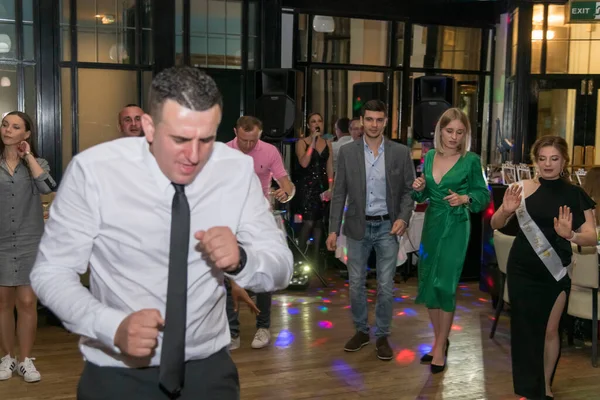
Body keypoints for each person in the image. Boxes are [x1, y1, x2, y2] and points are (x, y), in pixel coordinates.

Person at [30, 66, 293, 399]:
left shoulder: (235, 170)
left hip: (207, 369)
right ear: (149, 127)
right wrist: (110, 325)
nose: (194, 156)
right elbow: (51, 271)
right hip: (117, 370)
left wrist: (243, 259)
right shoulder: (95, 171)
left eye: (207, 139)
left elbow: (281, 265)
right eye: (180, 139)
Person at [490, 135, 596, 399]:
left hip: (555, 271)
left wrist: (570, 235)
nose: (548, 164)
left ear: (564, 162)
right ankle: (526, 389)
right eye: (542, 159)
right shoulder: (522, 188)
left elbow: (592, 237)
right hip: (522, 269)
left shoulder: (576, 195)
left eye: (554, 159)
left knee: (550, 330)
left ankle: (545, 386)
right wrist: (505, 210)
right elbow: (495, 224)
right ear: (535, 161)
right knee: (525, 330)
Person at [326, 99, 414, 361]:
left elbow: (409, 190)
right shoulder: (348, 152)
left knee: (386, 286)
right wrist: (332, 230)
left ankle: (383, 334)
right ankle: (362, 331)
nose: (374, 124)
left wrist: (404, 217)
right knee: (355, 285)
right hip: (357, 226)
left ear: (385, 122)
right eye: (369, 119)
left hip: (388, 226)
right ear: (361, 122)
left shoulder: (399, 152)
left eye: (379, 120)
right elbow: (338, 192)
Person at [411, 108, 490, 374]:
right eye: (449, 131)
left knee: (445, 285)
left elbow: (483, 195)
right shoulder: (430, 155)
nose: (454, 137)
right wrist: (419, 189)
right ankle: (439, 340)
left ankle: (440, 347)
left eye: (459, 132)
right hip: (432, 224)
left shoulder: (470, 161)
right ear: (440, 131)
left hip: (456, 225)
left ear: (465, 134)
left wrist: (465, 198)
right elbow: (422, 197)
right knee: (429, 283)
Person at [225, 116, 295, 350]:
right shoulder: (224, 153)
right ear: (235, 132)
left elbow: (285, 182)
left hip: (260, 220)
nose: (247, 145)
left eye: (253, 140)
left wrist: (287, 193)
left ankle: (263, 327)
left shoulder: (270, 151)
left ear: (260, 134)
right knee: (229, 277)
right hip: (232, 219)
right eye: (243, 140)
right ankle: (232, 332)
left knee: (265, 272)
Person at [0, 111, 56, 383]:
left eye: (15, 127)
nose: (8, 130)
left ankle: (24, 360)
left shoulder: (37, 162)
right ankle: (6, 357)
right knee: (2, 303)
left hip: (29, 241)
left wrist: (28, 156)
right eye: (5, 125)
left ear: (27, 134)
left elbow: (47, 187)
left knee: (26, 301)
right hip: (0, 242)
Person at [295, 112, 333, 264]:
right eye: (313, 121)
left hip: (322, 187)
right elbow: (304, 163)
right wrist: (312, 143)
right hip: (307, 188)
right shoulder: (302, 142)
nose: (316, 123)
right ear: (309, 125)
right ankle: (299, 260)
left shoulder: (328, 143)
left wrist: (331, 187)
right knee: (308, 222)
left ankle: (316, 262)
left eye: (319, 121)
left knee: (319, 223)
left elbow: (330, 166)